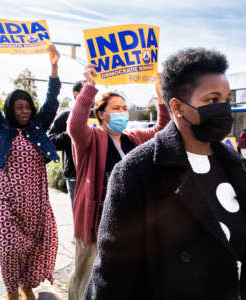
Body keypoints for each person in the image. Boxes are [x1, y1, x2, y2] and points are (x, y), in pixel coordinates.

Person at [84, 48, 246, 300]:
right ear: (177, 106)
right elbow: (113, 273)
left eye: (226, 99)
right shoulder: (137, 171)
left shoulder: (236, 164)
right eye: (212, 100)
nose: (224, 108)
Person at [67, 65, 170, 300]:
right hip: (95, 225)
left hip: (128, 224)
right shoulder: (91, 138)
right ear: (101, 114)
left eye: (124, 108)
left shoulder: (133, 138)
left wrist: (160, 95)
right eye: (116, 108)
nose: (123, 112)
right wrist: (90, 87)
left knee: (118, 281)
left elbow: (163, 130)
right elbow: (74, 125)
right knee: (87, 278)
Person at [0, 43, 61, 300]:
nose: (24, 111)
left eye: (27, 107)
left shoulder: (38, 126)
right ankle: (11, 291)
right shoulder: (1, 127)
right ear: (11, 110)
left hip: (35, 203)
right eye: (19, 107)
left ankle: (26, 286)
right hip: (6, 200)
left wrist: (54, 66)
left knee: (34, 248)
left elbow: (51, 101)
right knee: (9, 246)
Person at [49, 80, 85, 207]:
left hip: (96, 175)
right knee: (79, 216)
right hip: (75, 176)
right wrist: (69, 133)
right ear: (76, 93)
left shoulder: (95, 115)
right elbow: (51, 141)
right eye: (87, 89)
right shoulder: (65, 116)